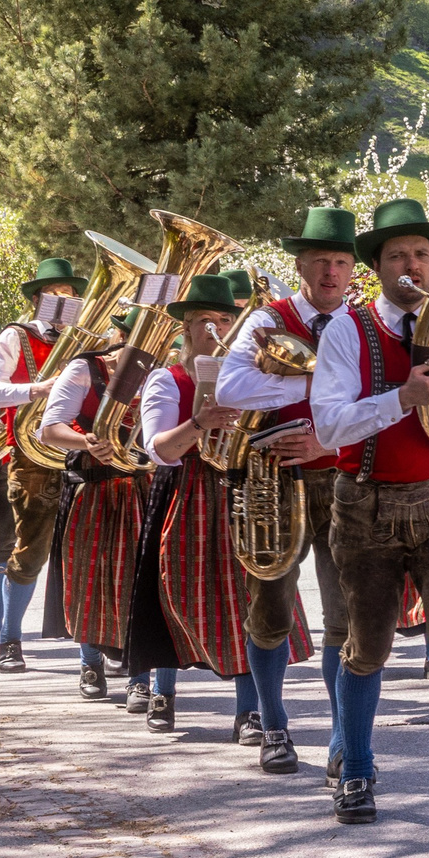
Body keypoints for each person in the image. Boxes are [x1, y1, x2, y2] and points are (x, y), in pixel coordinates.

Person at [309, 198, 429, 825]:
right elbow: (328, 425)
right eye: (397, 256)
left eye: (421, 254)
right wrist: (400, 398)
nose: (411, 265)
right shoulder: (346, 330)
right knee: (367, 646)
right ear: (377, 266)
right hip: (366, 502)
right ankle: (356, 768)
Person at [128, 275, 311, 738]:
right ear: (185, 328)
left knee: (252, 596)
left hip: (247, 488)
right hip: (188, 491)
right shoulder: (166, 379)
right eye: (205, 321)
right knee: (175, 592)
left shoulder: (252, 372)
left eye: (226, 320)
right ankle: (162, 693)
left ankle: (249, 711)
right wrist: (198, 422)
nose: (217, 330)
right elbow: (159, 449)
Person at [218, 207, 365, 776]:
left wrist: (288, 379)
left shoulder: (364, 324)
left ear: (353, 269)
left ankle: (338, 735)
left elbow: (382, 398)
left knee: (344, 615)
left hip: (346, 475)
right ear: (299, 265)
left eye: (341, 261)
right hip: (273, 476)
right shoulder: (264, 319)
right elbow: (233, 388)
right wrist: (323, 374)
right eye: (320, 261)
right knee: (270, 604)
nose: (330, 271)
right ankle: (273, 724)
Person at [40, 312, 141, 707]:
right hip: (92, 486)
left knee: (138, 581)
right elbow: (50, 428)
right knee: (86, 576)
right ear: (120, 334)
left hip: (140, 486)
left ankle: (138, 673)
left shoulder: (161, 370)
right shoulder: (86, 367)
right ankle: (89, 662)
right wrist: (88, 443)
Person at [0, 255, 75, 673]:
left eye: (69, 294)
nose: (63, 299)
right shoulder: (16, 336)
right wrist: (36, 389)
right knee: (30, 551)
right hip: (31, 457)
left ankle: (95, 653)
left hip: (79, 452)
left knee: (87, 550)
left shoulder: (85, 339)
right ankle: (10, 639)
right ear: (38, 299)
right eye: (54, 294)